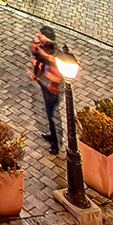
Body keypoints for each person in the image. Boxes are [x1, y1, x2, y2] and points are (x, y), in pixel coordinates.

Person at [30, 26, 63, 155]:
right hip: (47, 85)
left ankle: (55, 144)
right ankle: (52, 136)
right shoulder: (45, 47)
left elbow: (48, 61)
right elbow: (34, 53)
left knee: (51, 117)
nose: (39, 34)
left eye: (41, 34)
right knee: (50, 116)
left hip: (52, 90)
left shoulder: (53, 52)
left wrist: (38, 77)